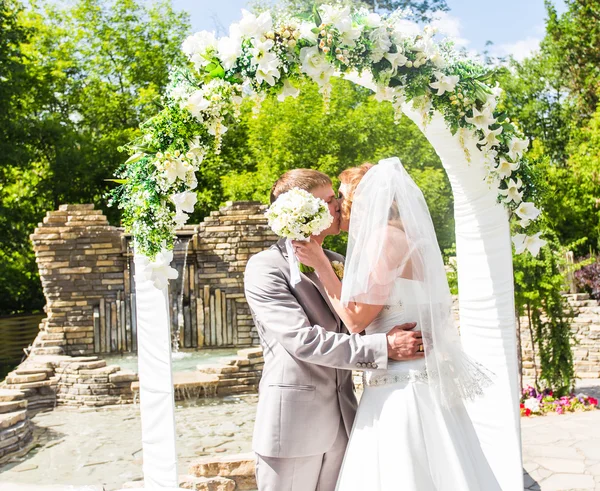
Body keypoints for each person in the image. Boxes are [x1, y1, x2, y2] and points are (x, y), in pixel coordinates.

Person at [293, 158, 501, 491]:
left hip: (402, 386)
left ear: (364, 203)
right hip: (408, 376)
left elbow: (356, 319)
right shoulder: (397, 236)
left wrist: (320, 264)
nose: (336, 208)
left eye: (342, 199)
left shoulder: (383, 240)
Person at [244, 168, 424, 491]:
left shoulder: (339, 260)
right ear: (302, 212)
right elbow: (304, 341)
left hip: (348, 423)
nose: (340, 206)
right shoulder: (265, 268)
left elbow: (359, 322)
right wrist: (385, 347)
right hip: (293, 431)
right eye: (329, 201)